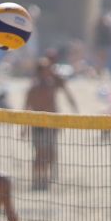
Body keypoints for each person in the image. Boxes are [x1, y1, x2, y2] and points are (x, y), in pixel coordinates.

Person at [24, 57, 79, 189]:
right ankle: (37, 179)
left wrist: (73, 109)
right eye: (46, 69)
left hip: (51, 124)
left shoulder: (53, 84)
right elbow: (26, 108)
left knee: (50, 153)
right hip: (38, 125)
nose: (49, 71)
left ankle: (45, 178)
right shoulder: (34, 88)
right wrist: (24, 128)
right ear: (40, 71)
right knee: (40, 153)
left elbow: (65, 93)